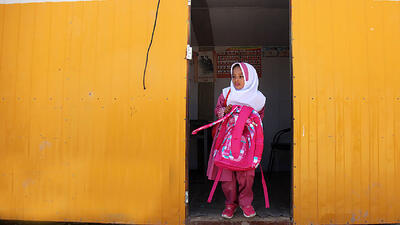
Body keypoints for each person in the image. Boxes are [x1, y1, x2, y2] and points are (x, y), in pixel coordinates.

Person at [206, 62, 266, 219]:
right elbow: (218, 110)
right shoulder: (226, 94)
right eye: (234, 76)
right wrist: (223, 112)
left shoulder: (258, 99)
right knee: (226, 173)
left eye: (241, 76)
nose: (237, 80)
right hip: (226, 141)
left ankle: (246, 203)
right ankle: (230, 204)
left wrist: (247, 121)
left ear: (250, 78)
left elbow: (259, 120)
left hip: (247, 143)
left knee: (246, 174)